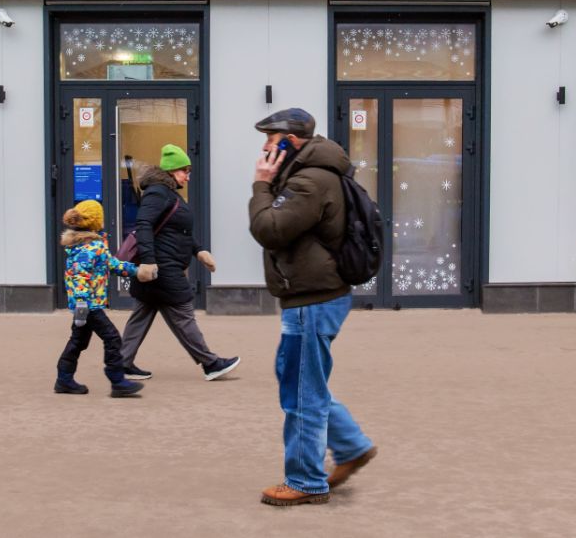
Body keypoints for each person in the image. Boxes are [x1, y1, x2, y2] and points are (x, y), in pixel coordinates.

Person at [247, 108, 376, 507]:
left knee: (302, 392)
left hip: (312, 299)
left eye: (272, 139)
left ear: (291, 142)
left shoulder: (309, 181)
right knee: (298, 378)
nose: (266, 146)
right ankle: (351, 446)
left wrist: (261, 184)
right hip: (312, 295)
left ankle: (305, 480)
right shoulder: (309, 174)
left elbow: (269, 229)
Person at [119, 144, 240, 382]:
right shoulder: (158, 193)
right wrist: (149, 262)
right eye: (185, 170)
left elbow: (178, 232)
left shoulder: (168, 194)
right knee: (183, 312)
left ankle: (121, 363)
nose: (188, 176)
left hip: (163, 264)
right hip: (162, 267)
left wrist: (199, 251)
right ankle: (211, 363)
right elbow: (144, 224)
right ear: (172, 170)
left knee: (142, 313)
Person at [54, 199, 158, 398]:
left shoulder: (93, 245)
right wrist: (82, 304)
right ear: (96, 221)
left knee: (78, 341)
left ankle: (64, 379)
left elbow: (113, 265)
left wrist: (137, 271)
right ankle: (117, 381)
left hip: (87, 305)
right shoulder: (88, 248)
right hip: (89, 306)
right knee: (112, 338)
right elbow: (79, 277)